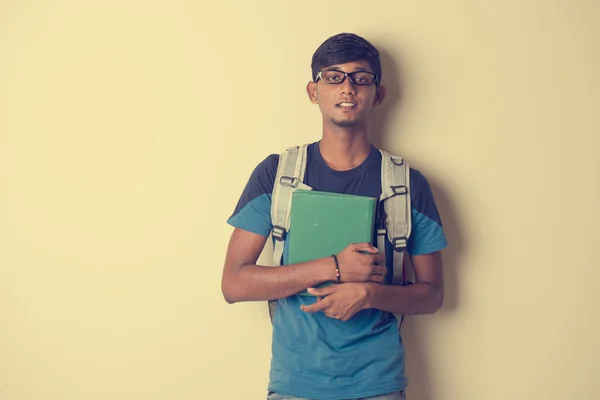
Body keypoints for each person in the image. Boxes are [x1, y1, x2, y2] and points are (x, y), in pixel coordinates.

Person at [221, 33, 448, 400]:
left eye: (360, 78)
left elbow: (432, 295)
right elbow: (234, 284)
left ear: (378, 94)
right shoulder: (277, 174)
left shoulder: (407, 183)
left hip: (379, 385)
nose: (347, 88)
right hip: (295, 386)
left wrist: (369, 293)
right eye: (333, 77)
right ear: (314, 91)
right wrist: (334, 268)